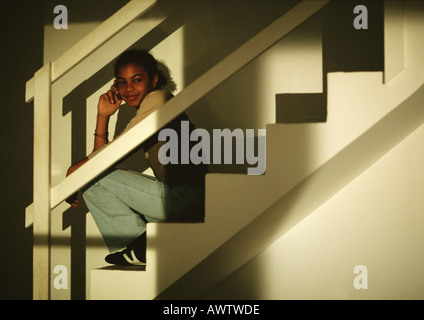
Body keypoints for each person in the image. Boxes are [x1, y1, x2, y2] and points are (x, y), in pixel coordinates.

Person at [66, 49, 208, 266]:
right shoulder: (151, 104)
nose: (129, 88)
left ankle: (138, 245)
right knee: (92, 177)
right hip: (182, 203)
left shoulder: (159, 98)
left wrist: (75, 172)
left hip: (185, 198)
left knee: (90, 176)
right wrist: (103, 115)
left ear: (154, 80)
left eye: (137, 80)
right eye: (122, 83)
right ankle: (139, 246)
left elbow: (112, 154)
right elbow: (102, 161)